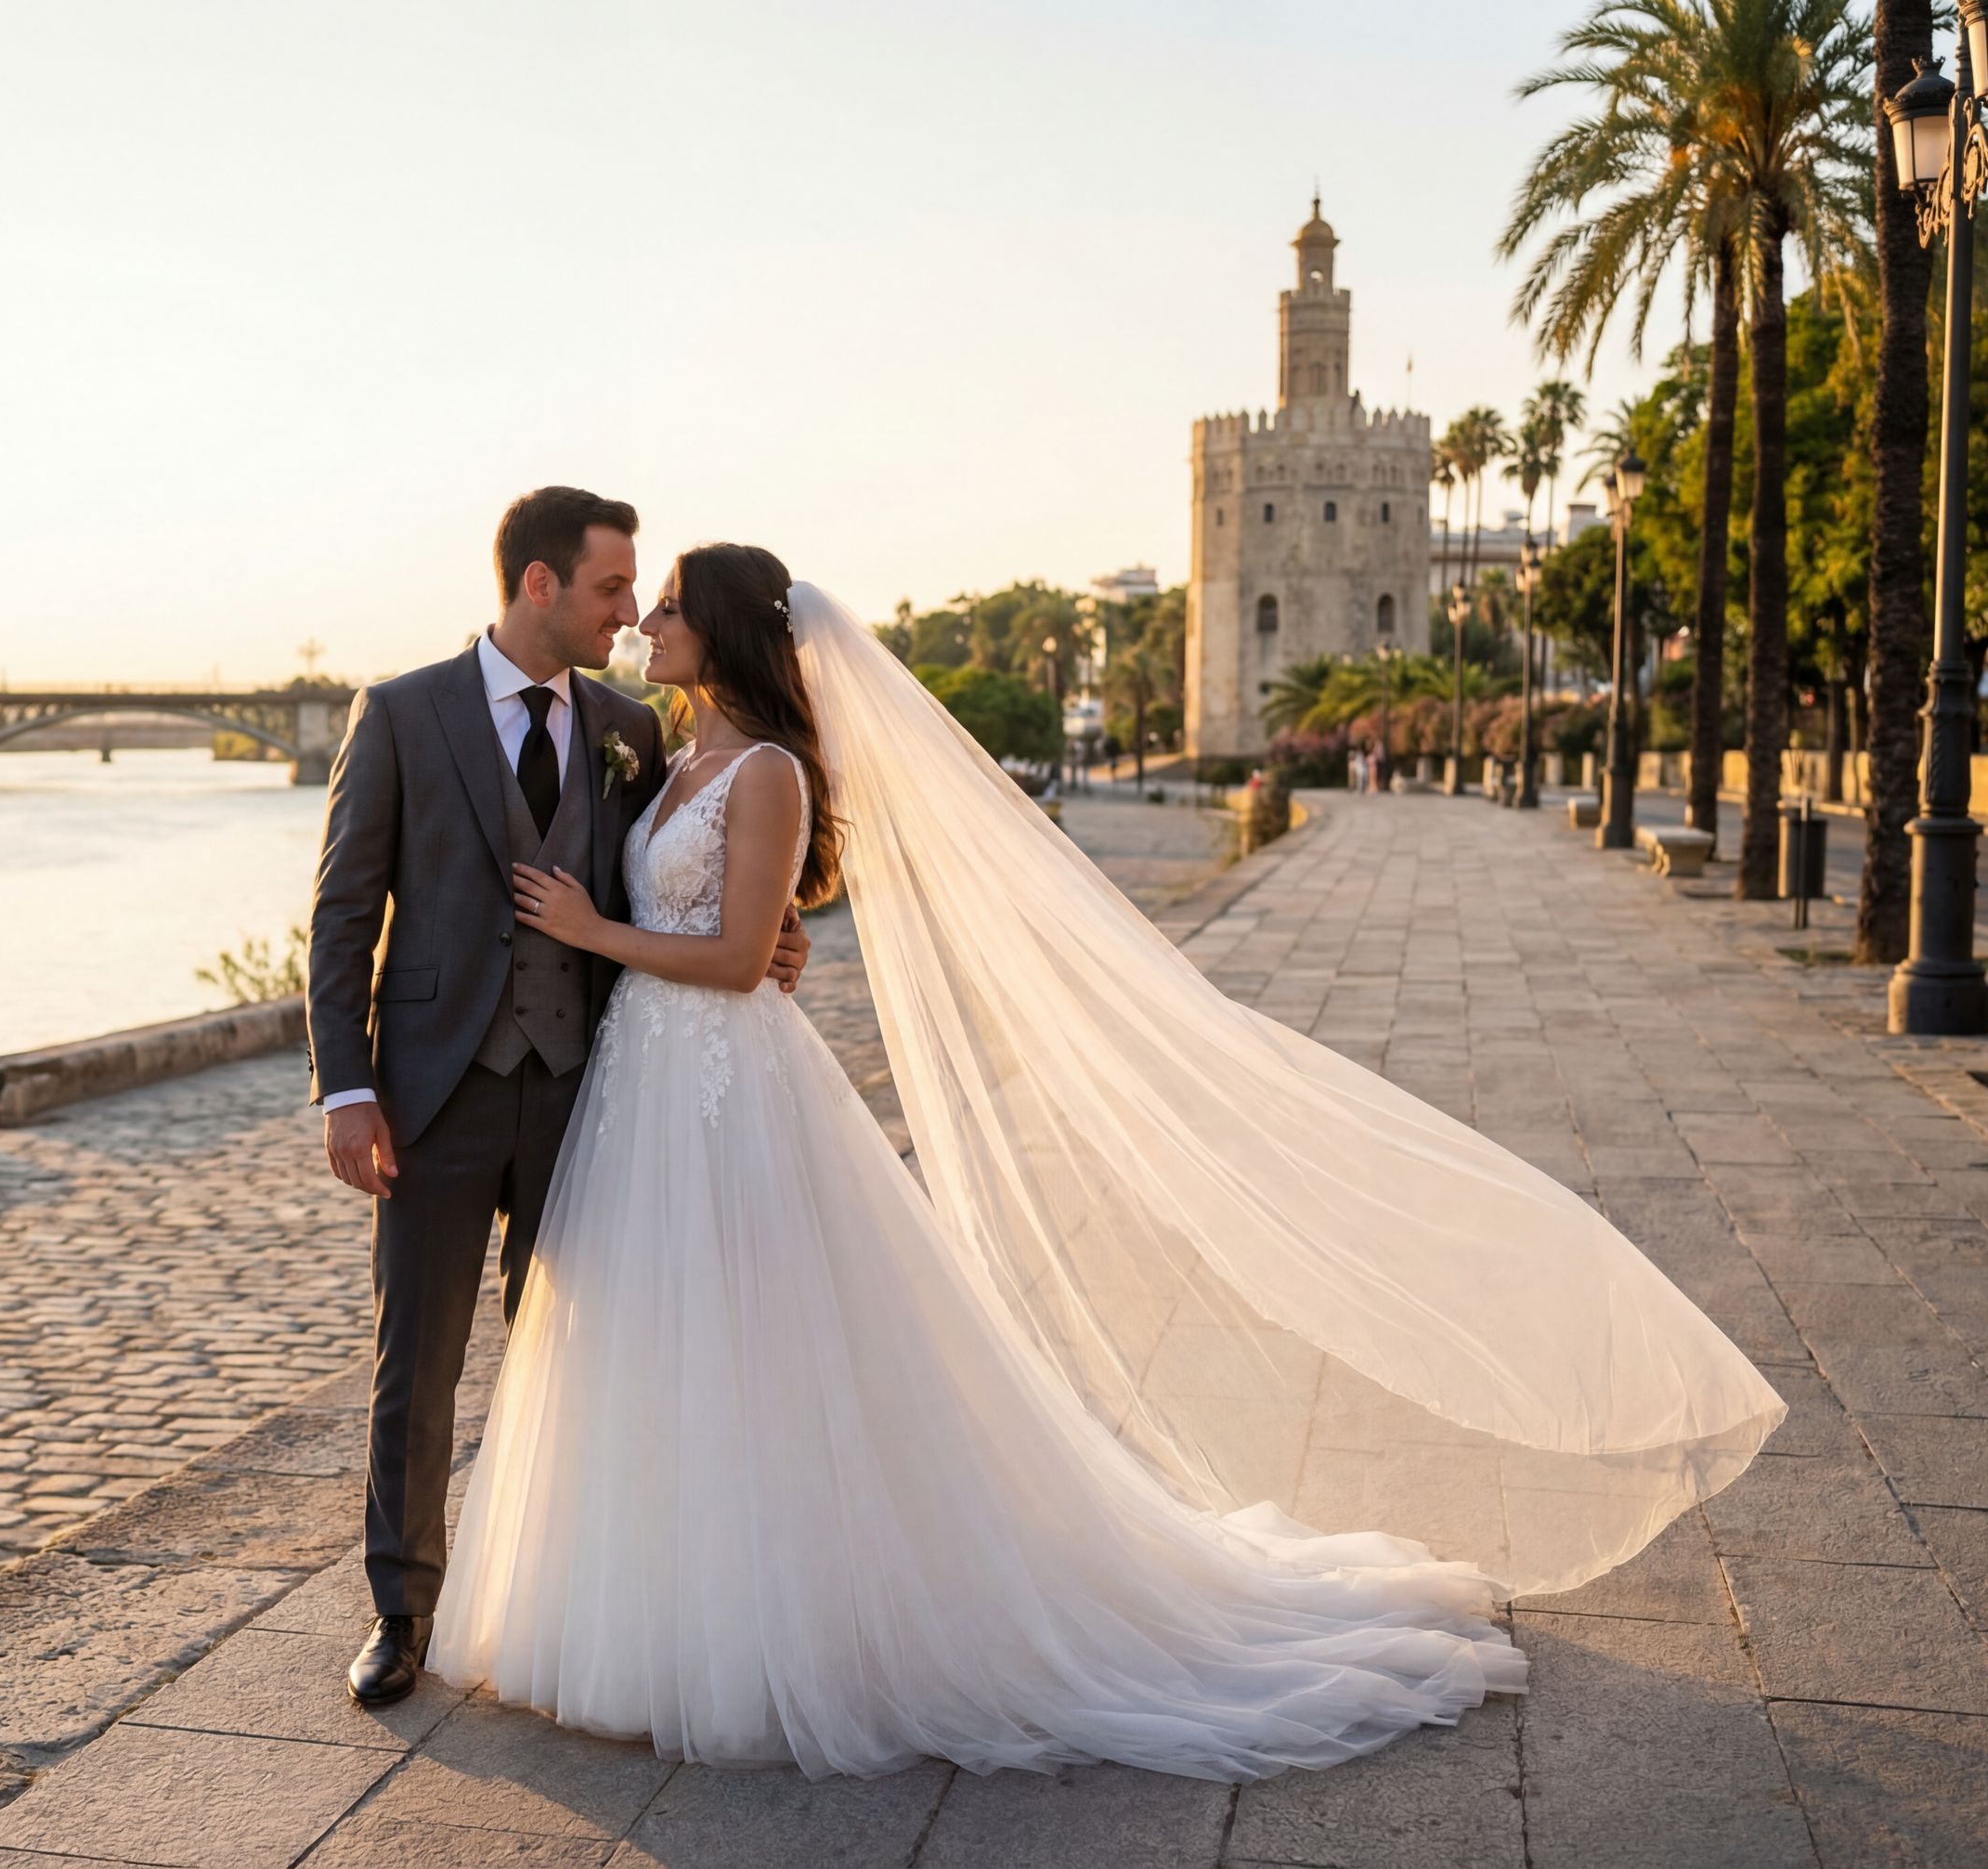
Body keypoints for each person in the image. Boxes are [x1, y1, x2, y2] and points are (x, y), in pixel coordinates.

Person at [415, 547, 1786, 1782]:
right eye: (633, 598)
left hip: (727, 1091)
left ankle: (780, 1622)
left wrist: (606, 935)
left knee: (769, 1357)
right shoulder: (669, 755)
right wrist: (703, 934)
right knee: (666, 1354)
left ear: (715, 630)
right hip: (650, 1093)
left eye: (664, 605)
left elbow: (730, 953)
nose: (645, 618)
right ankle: (661, 1606)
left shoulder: (767, 771)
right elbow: (742, 924)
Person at [305, 490, 810, 1707]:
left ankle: (582, 1599)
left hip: (592, 1094)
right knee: (413, 1361)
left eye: (643, 593)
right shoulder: (402, 712)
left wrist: (779, 933)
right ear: (539, 584)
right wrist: (349, 1089)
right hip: (436, 1092)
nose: (630, 613)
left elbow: (682, 876)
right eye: (610, 589)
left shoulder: (637, 729)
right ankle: (400, 1609)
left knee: (588, 1361)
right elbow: (342, 913)